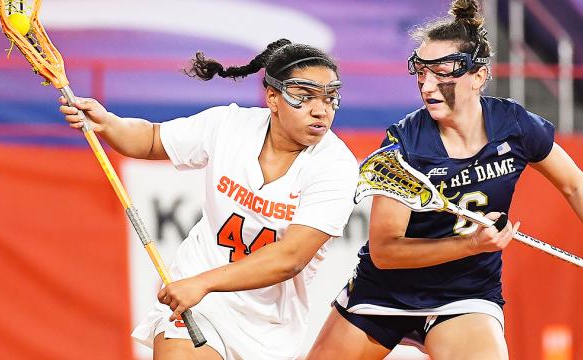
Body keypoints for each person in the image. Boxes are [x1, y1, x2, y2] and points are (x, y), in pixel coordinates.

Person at [306, 0, 583, 359]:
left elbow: (574, 184)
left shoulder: (514, 126)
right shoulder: (404, 144)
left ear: (478, 77)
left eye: (442, 73)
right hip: (384, 293)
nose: (428, 86)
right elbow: (386, 252)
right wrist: (471, 246)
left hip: (464, 294)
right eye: (422, 73)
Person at [59, 39, 359, 360]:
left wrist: (202, 283)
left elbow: (291, 257)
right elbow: (150, 140)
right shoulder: (229, 126)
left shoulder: (336, 166)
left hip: (269, 327)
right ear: (272, 97)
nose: (321, 110)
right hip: (203, 307)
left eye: (330, 99)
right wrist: (108, 123)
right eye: (305, 96)